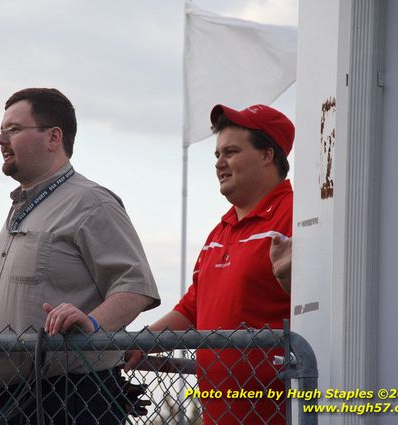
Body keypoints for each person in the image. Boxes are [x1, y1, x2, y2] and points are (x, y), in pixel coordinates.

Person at [0, 88, 160, 424]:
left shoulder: (92, 203)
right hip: (17, 404)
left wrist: (91, 324)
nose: (1, 140)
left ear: (53, 137)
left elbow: (135, 287)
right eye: (0, 131)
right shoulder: (27, 207)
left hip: (71, 403)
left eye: (14, 130)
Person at [125, 103, 294, 425]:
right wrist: (139, 344)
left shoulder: (298, 216)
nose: (219, 163)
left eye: (230, 152)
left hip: (277, 414)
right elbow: (192, 309)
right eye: (217, 155)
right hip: (219, 415)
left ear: (267, 155)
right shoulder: (221, 229)